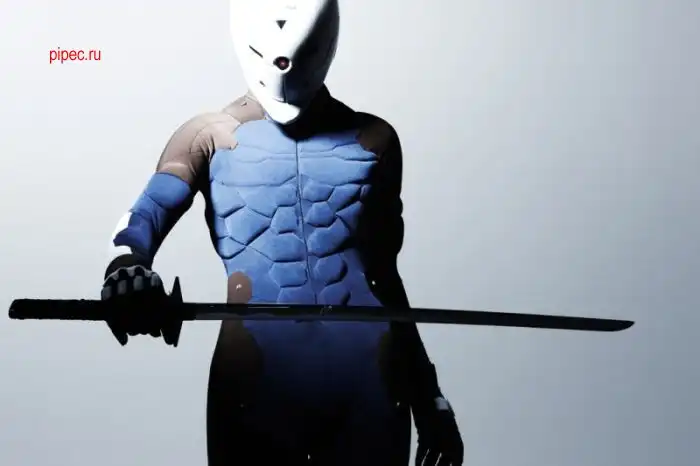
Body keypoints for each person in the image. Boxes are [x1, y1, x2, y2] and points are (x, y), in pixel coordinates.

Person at [100, 1, 463, 465]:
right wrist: (126, 268)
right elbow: (144, 216)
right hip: (255, 381)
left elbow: (385, 280)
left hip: (369, 381)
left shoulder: (375, 141)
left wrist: (430, 396)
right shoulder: (207, 137)